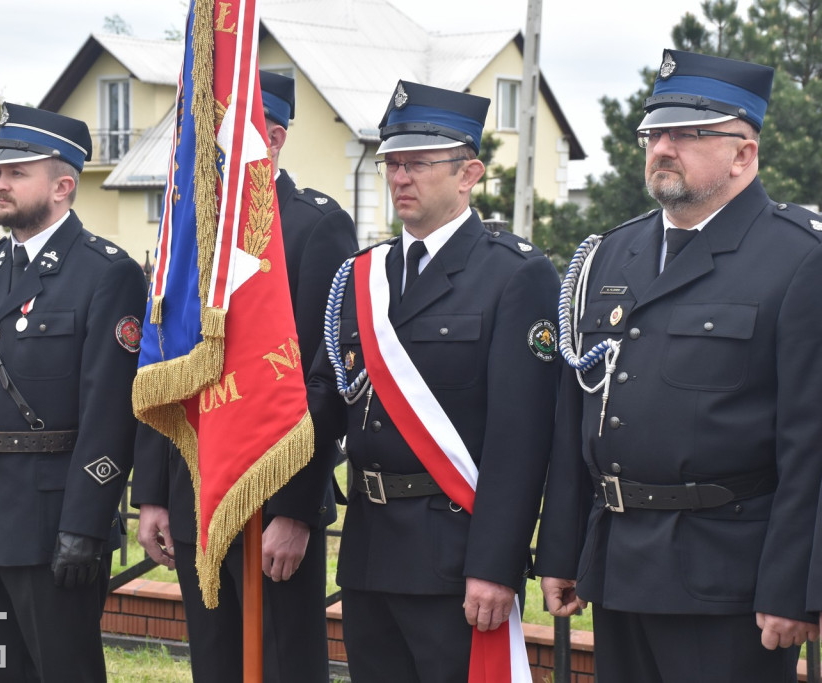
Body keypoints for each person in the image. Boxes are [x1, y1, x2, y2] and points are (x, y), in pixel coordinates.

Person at [536, 49, 822, 683]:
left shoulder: (798, 259)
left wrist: (794, 587)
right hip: (619, 566)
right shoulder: (611, 255)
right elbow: (578, 411)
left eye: (688, 134)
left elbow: (812, 445)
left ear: (743, 153)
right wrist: (560, 550)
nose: (662, 147)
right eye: (654, 131)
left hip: (728, 577)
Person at [305, 80, 560, 683]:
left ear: (469, 173)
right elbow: (324, 401)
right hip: (369, 551)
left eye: (417, 163)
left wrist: (495, 565)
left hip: (454, 555)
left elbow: (519, 441)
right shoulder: (362, 277)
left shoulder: (515, 275)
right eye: (392, 163)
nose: (399, 177)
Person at [132, 70, 358, 683]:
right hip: (194, 487)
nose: (204, 150)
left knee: (283, 663)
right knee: (215, 664)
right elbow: (165, 366)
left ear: (274, 138)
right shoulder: (187, 233)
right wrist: (153, 490)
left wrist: (298, 509)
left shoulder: (315, 226)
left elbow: (320, 381)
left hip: (269, 495)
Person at [0, 103, 146, 683]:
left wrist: (85, 524)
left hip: (52, 520)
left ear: (63, 186)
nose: (0, 185)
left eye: (17, 173)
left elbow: (110, 412)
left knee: (62, 672)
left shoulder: (106, 273)